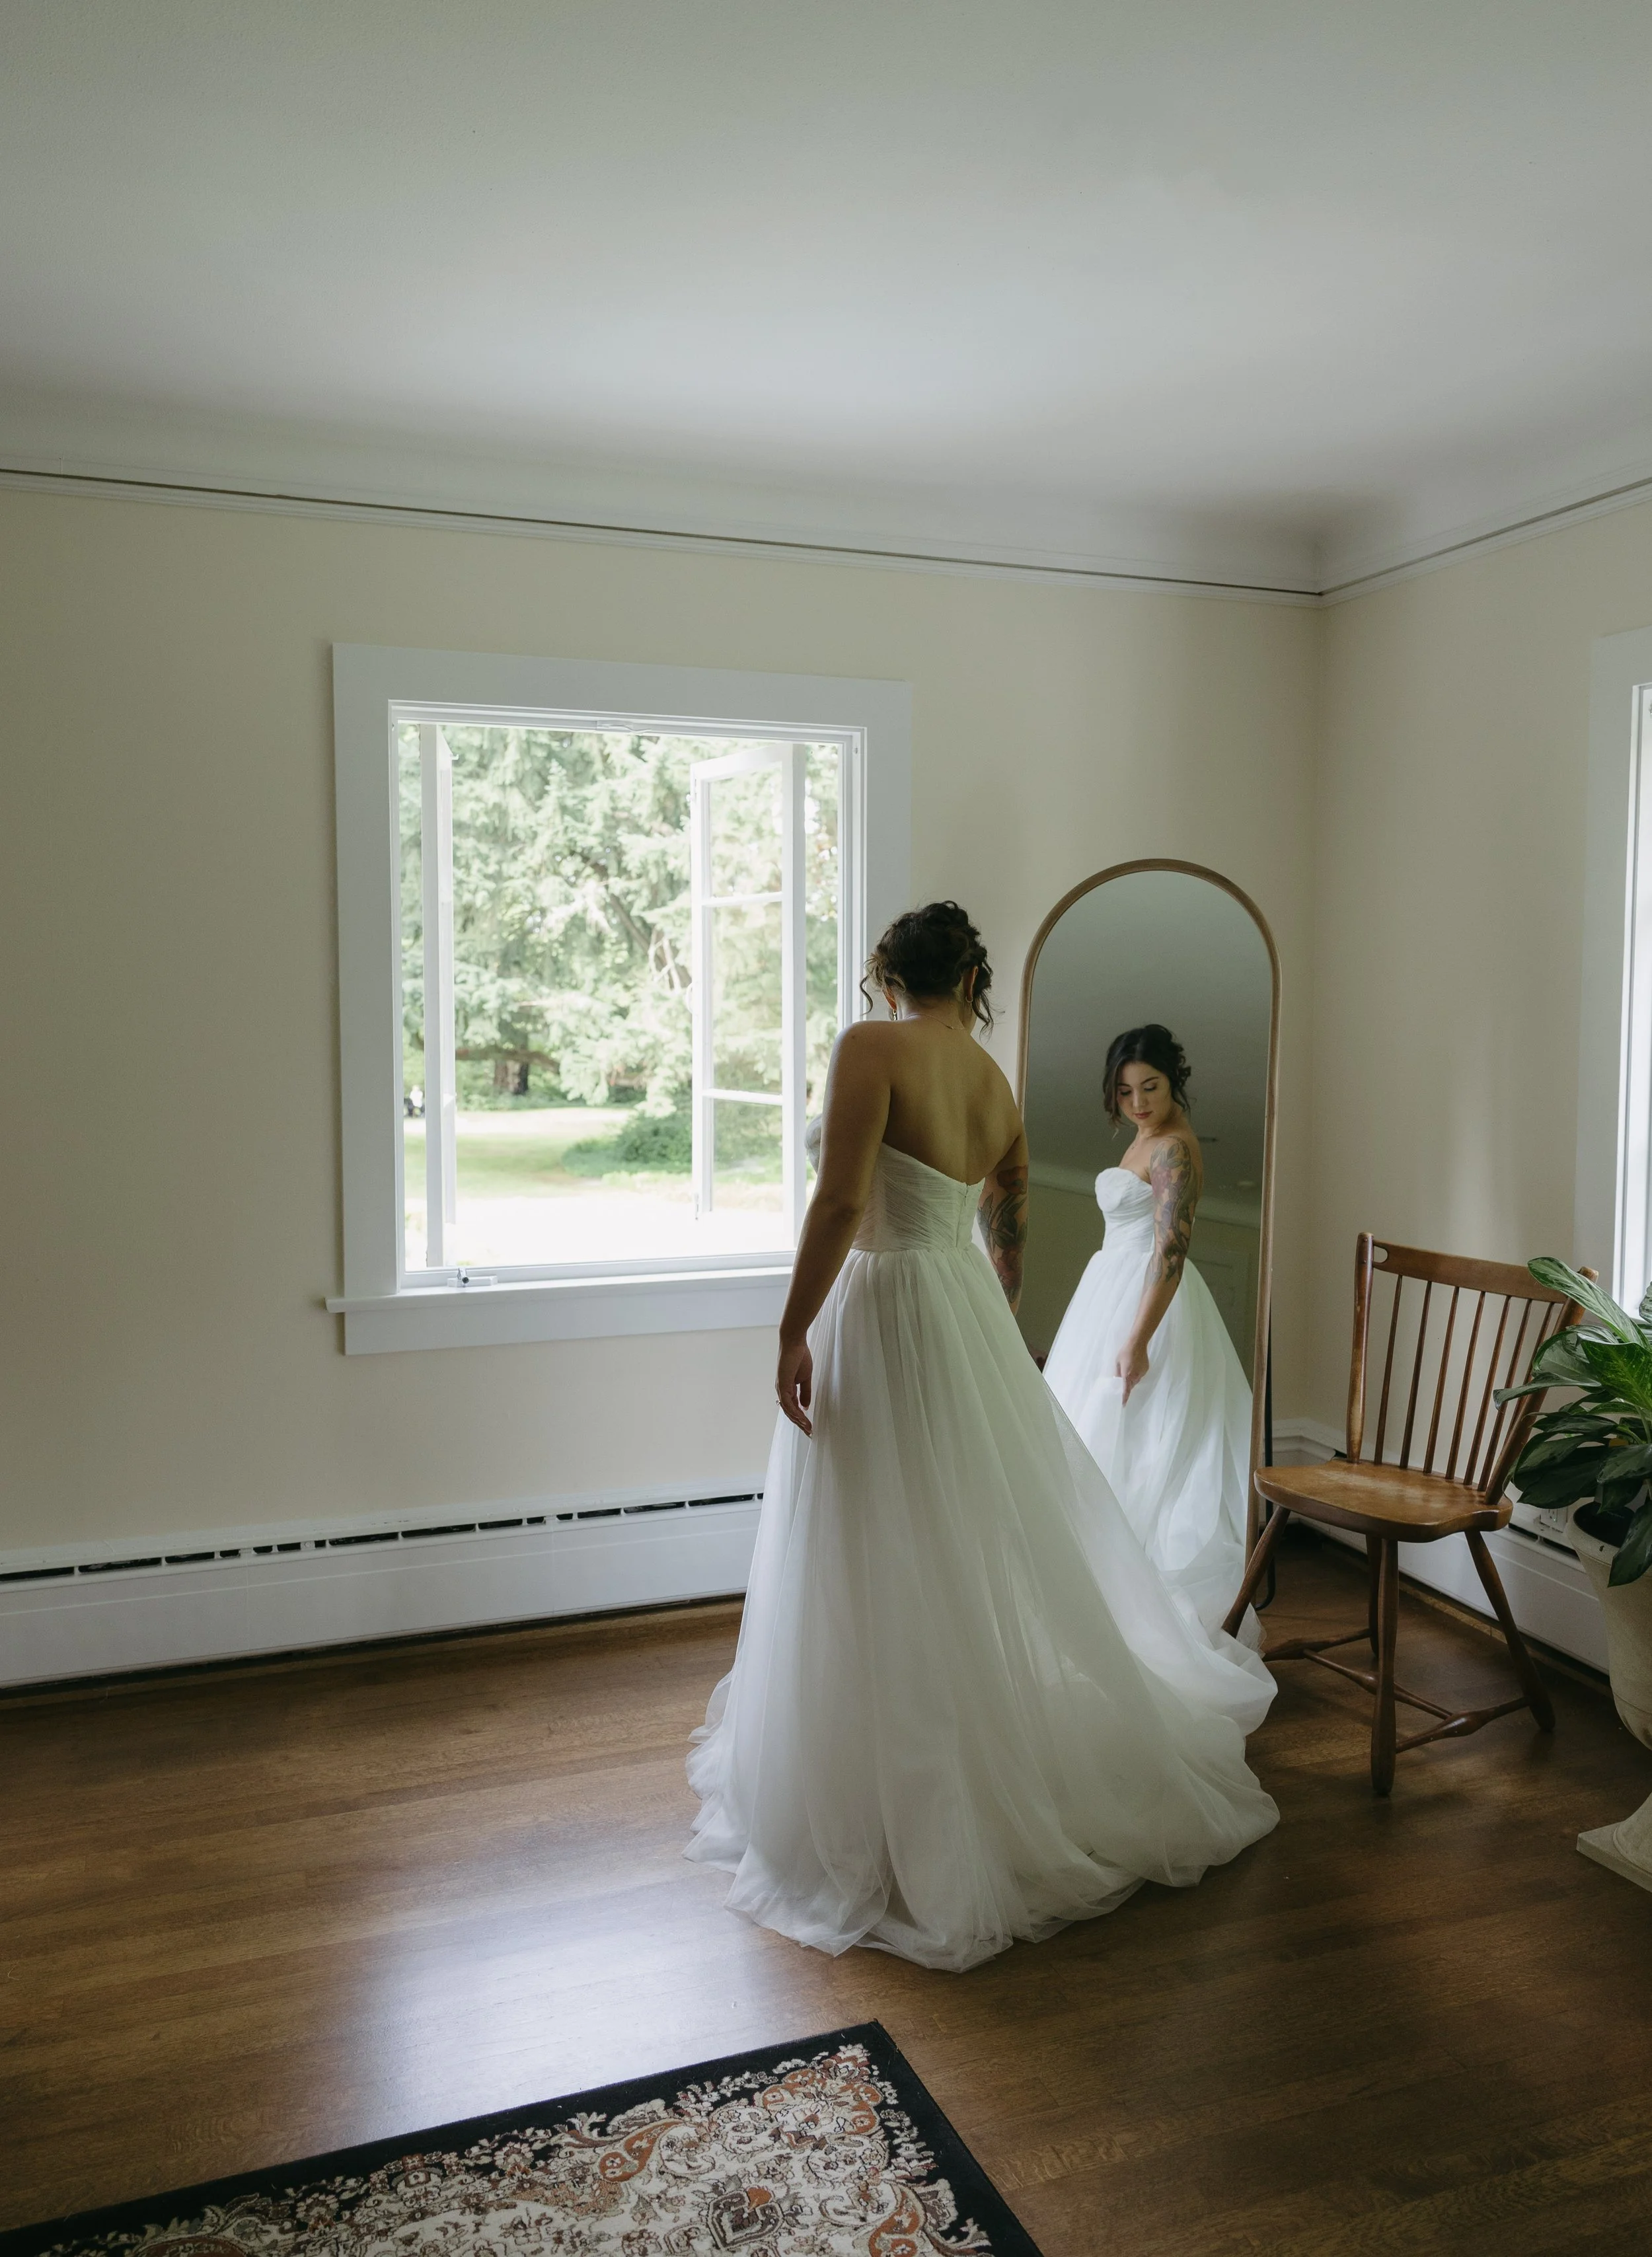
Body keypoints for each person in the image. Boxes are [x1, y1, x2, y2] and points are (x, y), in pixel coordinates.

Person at [685, 906, 1275, 1972]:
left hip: (879, 1300)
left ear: (885, 971)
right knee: (952, 1528)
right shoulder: (996, 1083)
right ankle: (952, 1759)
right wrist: (994, 1312)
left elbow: (838, 1201)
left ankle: (880, 1786)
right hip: (953, 1305)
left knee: (868, 1527)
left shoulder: (872, 1046)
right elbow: (1008, 1211)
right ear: (972, 975)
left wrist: (789, 1328)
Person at [1041, 1025, 1256, 1642]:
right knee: (1094, 1435)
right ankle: (1092, 1594)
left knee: (1132, 1447)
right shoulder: (1145, 1138)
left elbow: (1170, 1250)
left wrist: (1137, 1341)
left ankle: (1128, 1609)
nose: (1137, 1102)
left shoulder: (1174, 1151)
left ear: (1174, 1081)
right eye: (1125, 1090)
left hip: (1146, 1302)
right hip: (1108, 1288)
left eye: (1150, 1087)